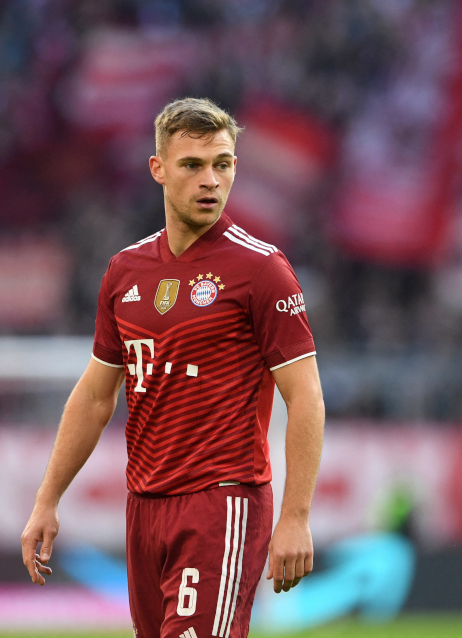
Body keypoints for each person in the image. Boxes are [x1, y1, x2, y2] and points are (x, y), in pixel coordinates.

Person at [21, 97, 324, 638]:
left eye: (222, 164)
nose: (210, 180)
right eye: (192, 165)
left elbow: (305, 396)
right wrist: (47, 499)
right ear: (158, 169)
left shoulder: (261, 270)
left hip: (222, 503)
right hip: (144, 510)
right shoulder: (125, 271)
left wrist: (296, 516)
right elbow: (95, 395)